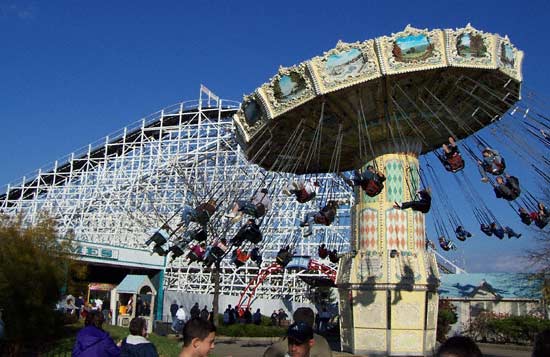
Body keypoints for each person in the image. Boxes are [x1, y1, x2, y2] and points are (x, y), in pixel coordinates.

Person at [264, 307, 332, 357]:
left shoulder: (284, 341)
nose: (293, 348)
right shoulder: (322, 342)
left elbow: (269, 354)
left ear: (295, 322)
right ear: (312, 322)